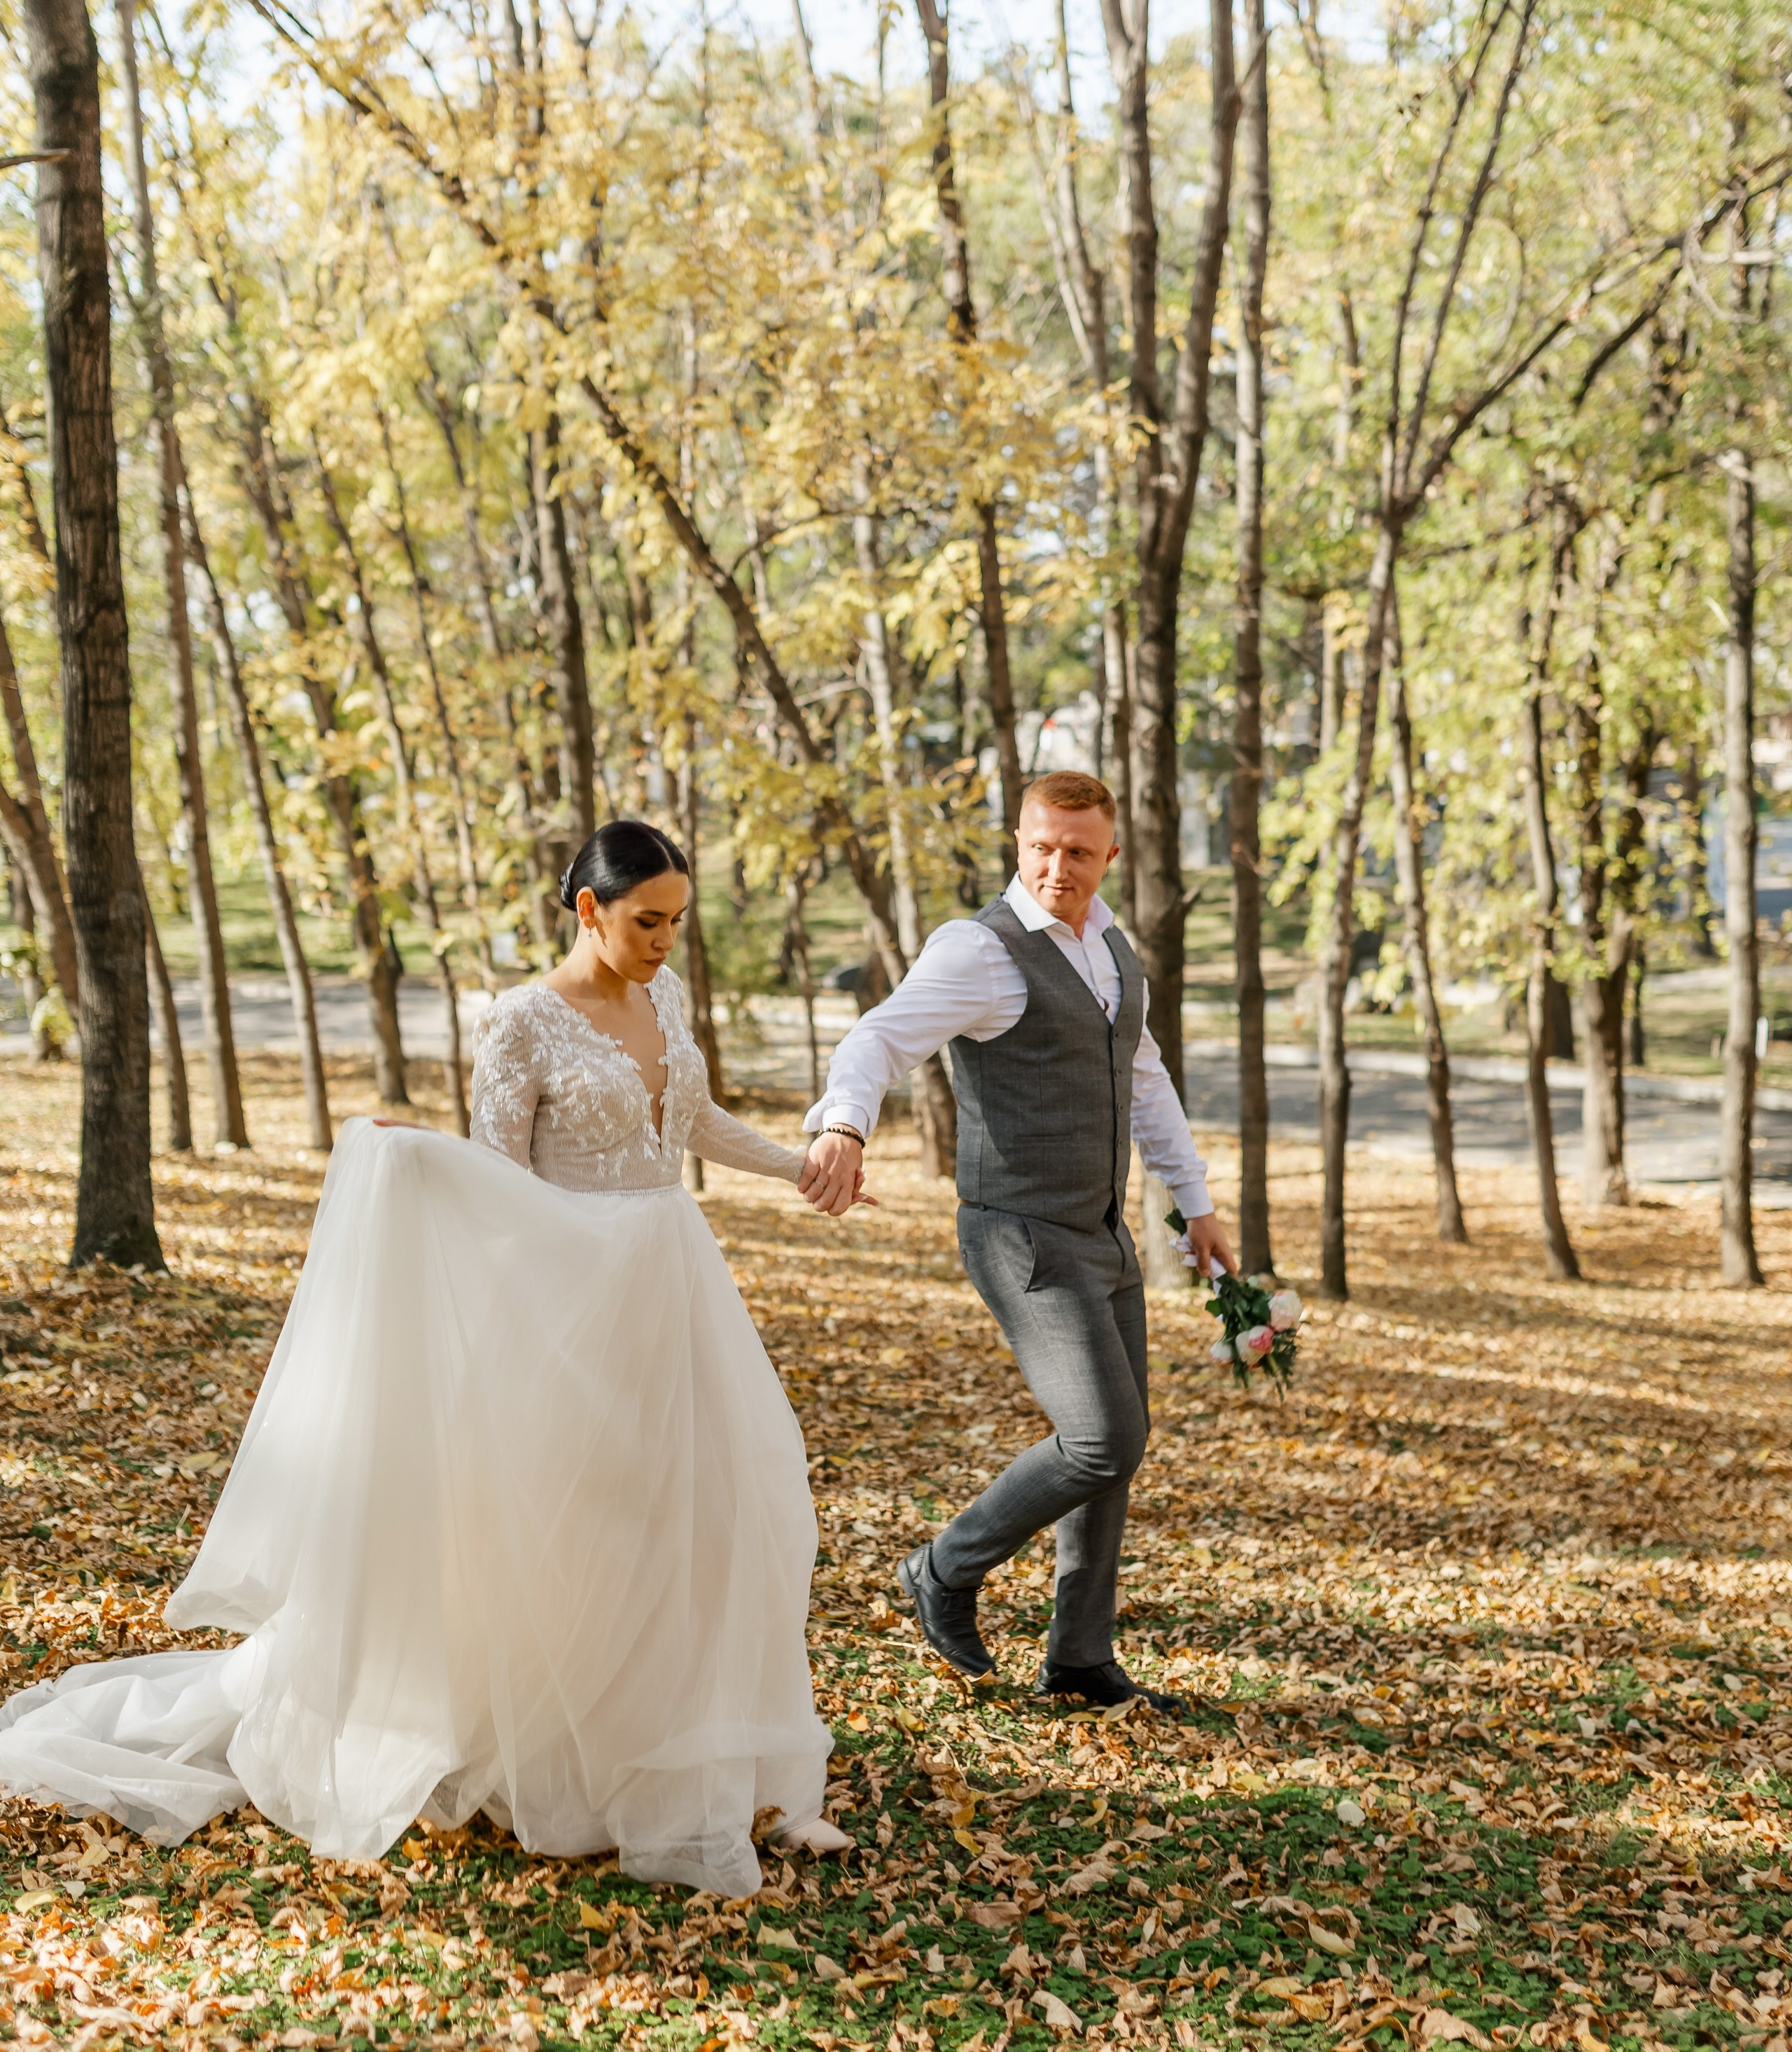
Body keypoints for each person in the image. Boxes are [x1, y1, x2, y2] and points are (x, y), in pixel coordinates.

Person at [0, 821, 851, 1896]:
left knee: (701, 1511)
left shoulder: (664, 999)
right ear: (587, 909)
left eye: (677, 921)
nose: (665, 942)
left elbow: (686, 1119)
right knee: (577, 1525)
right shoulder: (523, 1024)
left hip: (673, 1283)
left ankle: (668, 1754)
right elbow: (499, 1185)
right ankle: (549, 1759)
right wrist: (411, 1159)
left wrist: (795, 1168)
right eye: (647, 921)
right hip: (569, 1305)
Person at [802, 770, 1234, 1712]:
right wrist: (845, 1123)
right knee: (1100, 1437)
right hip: (1019, 1234)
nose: (1057, 866)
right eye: (1041, 845)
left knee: (1120, 1447)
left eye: (1078, 850)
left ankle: (1080, 1658)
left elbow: (1143, 1075)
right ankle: (943, 1571)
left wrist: (1194, 1202)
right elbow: (877, 1040)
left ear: (1109, 853)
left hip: (1103, 1231)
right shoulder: (979, 952)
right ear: (1018, 842)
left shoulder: (1115, 950)